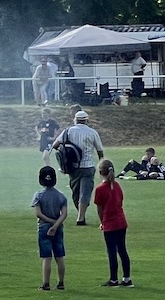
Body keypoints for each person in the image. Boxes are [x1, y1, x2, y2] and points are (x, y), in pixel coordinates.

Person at [55, 110, 104, 226]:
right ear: (87, 120)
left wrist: (68, 153)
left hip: (73, 167)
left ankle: (80, 216)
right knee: (85, 192)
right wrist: (102, 166)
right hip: (88, 166)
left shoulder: (68, 131)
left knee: (75, 192)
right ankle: (81, 216)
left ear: (75, 120)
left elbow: (55, 145)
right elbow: (100, 151)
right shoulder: (92, 132)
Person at [93, 158, 131, 287]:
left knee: (111, 251)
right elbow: (120, 201)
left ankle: (114, 279)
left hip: (110, 223)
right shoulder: (117, 186)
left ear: (100, 172)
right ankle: (127, 278)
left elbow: (100, 210)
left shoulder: (100, 189)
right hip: (121, 221)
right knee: (122, 250)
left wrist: (102, 222)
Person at [31, 165, 68, 291]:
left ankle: (46, 284)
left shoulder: (38, 195)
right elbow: (64, 214)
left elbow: (38, 213)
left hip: (44, 228)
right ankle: (61, 283)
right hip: (58, 228)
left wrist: (50, 223)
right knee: (59, 256)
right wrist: (56, 224)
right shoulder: (61, 196)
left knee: (46, 257)